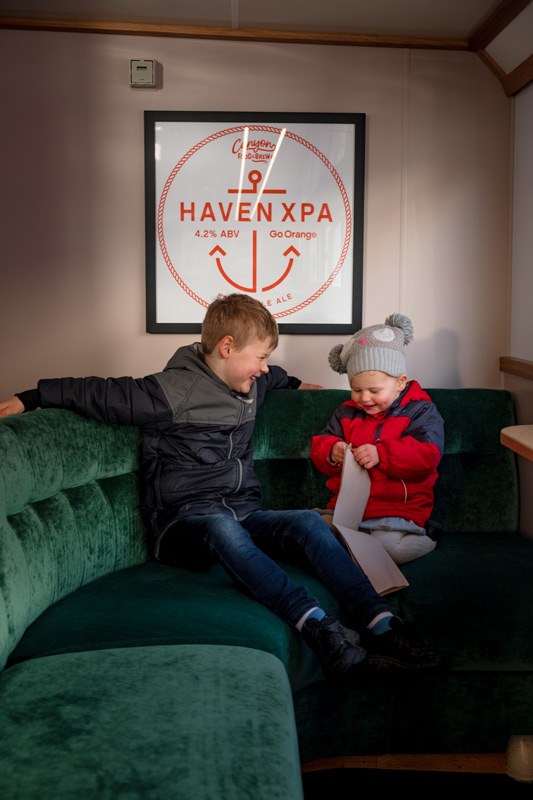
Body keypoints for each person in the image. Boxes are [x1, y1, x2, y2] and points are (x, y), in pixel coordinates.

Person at [0, 296, 445, 679]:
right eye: (260, 357)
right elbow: (97, 392)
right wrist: (32, 397)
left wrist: (290, 382)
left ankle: (382, 624)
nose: (264, 368)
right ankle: (321, 630)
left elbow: (273, 376)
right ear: (226, 348)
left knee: (309, 523)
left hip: (242, 513)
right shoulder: (168, 391)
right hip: (183, 525)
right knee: (222, 529)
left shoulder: (249, 381)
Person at [311, 313, 444, 565]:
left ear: (400, 383)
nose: (365, 398)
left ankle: (429, 536)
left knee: (388, 548)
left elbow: (427, 456)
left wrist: (381, 454)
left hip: (396, 513)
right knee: (308, 532)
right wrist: (332, 450)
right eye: (357, 389)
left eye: (374, 391)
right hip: (346, 512)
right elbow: (321, 444)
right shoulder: (346, 412)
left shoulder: (421, 411)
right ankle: (348, 546)